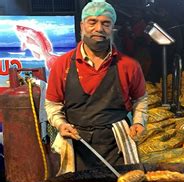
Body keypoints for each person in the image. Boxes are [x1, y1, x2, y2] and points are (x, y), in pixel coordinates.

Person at [45, 0, 148, 172]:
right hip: (76, 142)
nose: (99, 29)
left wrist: (139, 122)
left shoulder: (129, 65)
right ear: (82, 25)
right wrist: (60, 124)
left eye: (105, 23)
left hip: (117, 145)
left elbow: (140, 99)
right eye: (92, 22)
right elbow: (53, 105)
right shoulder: (62, 64)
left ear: (112, 28)